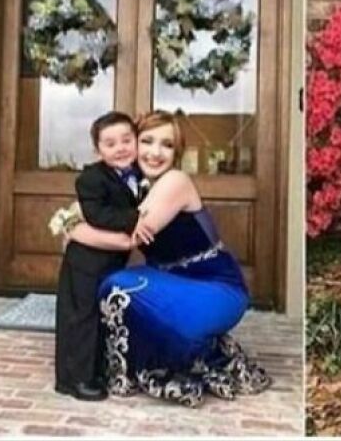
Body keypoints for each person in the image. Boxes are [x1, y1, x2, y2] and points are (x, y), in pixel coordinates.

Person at [67, 110, 271, 407]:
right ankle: (169, 352)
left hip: (215, 289)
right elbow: (93, 211)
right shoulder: (133, 186)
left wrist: (73, 231)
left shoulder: (174, 181)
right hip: (173, 282)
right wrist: (75, 218)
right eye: (147, 141)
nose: (155, 152)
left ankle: (191, 353)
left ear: (177, 153)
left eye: (167, 145)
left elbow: (130, 239)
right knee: (121, 285)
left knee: (116, 286)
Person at [55, 111, 153, 401]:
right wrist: (136, 218)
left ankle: (95, 372)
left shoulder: (141, 174)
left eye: (126, 140)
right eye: (110, 144)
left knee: (100, 317)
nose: (120, 148)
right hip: (85, 262)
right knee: (80, 318)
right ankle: (75, 380)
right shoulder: (90, 179)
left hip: (110, 262)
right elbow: (97, 215)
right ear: (98, 150)